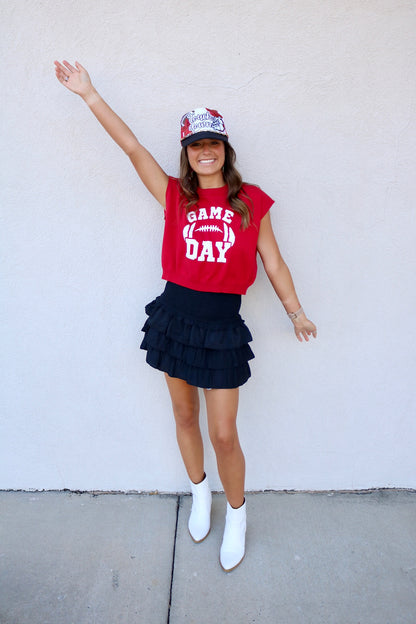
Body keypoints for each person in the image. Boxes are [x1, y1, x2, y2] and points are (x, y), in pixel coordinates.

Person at [54, 60, 317, 572]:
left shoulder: (250, 202)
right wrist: (89, 95)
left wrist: (296, 311)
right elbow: (132, 147)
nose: (204, 151)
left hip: (221, 326)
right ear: (186, 153)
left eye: (212, 143)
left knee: (224, 433)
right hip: (176, 316)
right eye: (195, 145)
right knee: (183, 416)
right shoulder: (175, 196)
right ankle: (200, 495)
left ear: (225, 150)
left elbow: (274, 261)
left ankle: (236, 514)